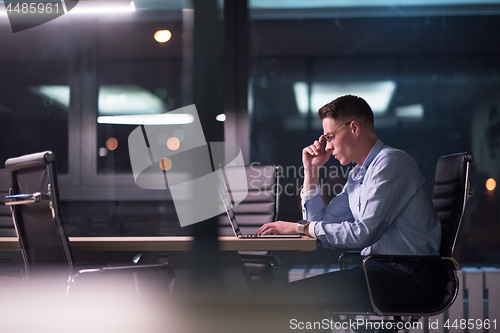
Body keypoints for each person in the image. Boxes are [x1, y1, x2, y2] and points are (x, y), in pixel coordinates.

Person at [256, 94, 442, 315]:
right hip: (381, 272)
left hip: (408, 277)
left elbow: (363, 233)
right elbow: (316, 223)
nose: (327, 145)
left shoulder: (392, 163)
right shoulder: (357, 175)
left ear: (354, 128)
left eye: (330, 136)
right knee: (293, 297)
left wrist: (299, 228)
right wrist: (311, 171)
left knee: (292, 298)